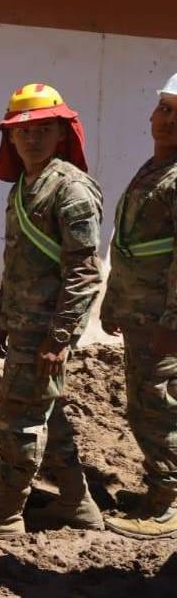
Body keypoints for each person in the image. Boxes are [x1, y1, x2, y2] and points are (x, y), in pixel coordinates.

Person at [0, 83, 104, 540]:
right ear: (10, 138)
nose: (31, 138)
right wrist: (1, 317)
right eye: (22, 131)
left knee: (16, 419)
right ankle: (77, 503)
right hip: (24, 325)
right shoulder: (24, 186)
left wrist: (60, 338)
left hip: (46, 332)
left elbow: (83, 271)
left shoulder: (71, 190)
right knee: (47, 415)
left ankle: (7, 512)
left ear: (61, 134)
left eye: (43, 129)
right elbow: (18, 261)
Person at [100, 72, 177, 540]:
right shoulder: (153, 170)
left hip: (160, 321)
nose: (166, 120)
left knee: (159, 408)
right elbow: (128, 245)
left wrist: (173, 322)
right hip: (140, 314)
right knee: (145, 405)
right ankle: (159, 490)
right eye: (164, 109)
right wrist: (114, 303)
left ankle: (166, 505)